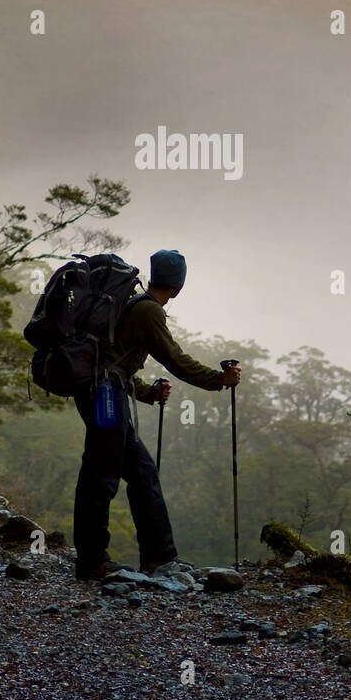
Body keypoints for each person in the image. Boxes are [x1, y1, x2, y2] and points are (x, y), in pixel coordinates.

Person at [72, 248, 241, 581]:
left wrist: (148, 392)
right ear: (178, 287)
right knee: (101, 474)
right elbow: (175, 359)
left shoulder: (133, 304)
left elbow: (112, 360)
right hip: (105, 396)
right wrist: (219, 380)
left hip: (104, 391)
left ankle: (159, 558)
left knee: (141, 472)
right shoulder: (148, 310)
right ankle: (92, 562)